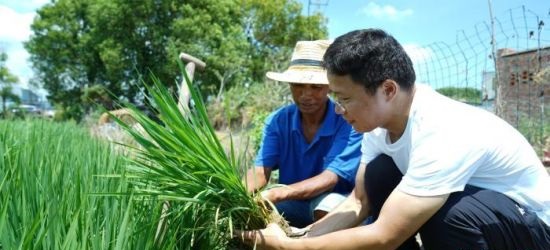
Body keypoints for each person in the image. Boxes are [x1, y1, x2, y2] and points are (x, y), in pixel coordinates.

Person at [239, 29, 550, 249]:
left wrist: (288, 249)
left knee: (447, 214)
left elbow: (386, 234)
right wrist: (300, 237)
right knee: (379, 176)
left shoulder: (442, 128)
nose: (338, 109)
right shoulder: (376, 126)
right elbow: (358, 202)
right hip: (487, 215)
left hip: (533, 228)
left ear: (387, 90)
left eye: (344, 98)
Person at [245, 40, 362, 228]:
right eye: (298, 85)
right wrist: (236, 194)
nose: (306, 94)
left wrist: (276, 194)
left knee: (328, 206)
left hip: (334, 203)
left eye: (316, 87)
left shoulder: (348, 122)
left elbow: (330, 178)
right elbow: (261, 171)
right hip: (292, 204)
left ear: (329, 87)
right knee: (254, 215)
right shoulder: (277, 121)